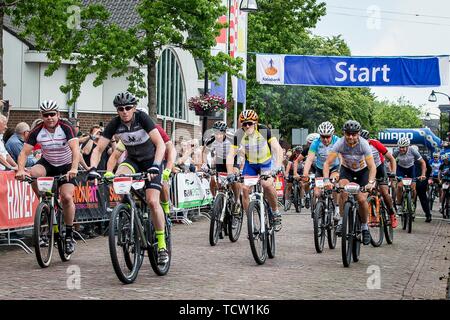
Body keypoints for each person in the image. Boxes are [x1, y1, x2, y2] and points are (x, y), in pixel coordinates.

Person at [88, 92, 168, 265]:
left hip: (150, 161)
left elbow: (160, 144)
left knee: (153, 202)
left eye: (128, 108)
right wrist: (94, 169)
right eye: (120, 109)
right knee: (118, 178)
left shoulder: (143, 118)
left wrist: (156, 164)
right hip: (133, 161)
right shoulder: (115, 124)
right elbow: (98, 149)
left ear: (134, 108)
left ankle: (161, 245)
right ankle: (126, 211)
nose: (124, 111)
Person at [15, 100, 80, 254]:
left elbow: (76, 150)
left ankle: (69, 235)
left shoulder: (66, 127)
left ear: (58, 114)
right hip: (48, 163)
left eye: (52, 114)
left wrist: (74, 168)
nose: (50, 117)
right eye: (46, 115)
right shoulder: (37, 130)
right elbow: (24, 153)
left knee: (66, 197)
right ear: (42, 116)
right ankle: (43, 202)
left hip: (65, 165)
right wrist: (20, 170)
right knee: (33, 173)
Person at [106, 107, 177, 218]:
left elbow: (171, 149)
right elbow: (116, 154)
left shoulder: (156, 129)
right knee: (122, 179)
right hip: (135, 162)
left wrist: (168, 168)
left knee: (163, 183)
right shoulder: (128, 132)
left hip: (155, 160)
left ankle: (166, 209)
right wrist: (109, 172)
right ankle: (127, 205)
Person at [226, 109, 284, 231]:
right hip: (251, 164)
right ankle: (251, 221)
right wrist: (230, 173)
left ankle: (275, 212)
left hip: (266, 163)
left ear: (256, 123)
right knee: (245, 189)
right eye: (244, 124)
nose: (247, 126)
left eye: (250, 123)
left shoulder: (263, 130)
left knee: (266, 184)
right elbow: (230, 155)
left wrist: (277, 166)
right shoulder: (239, 134)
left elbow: (277, 149)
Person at [323, 120, 376, 246]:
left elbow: (372, 166)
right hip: (347, 171)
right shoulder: (339, 143)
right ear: (344, 133)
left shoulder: (364, 145)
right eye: (348, 134)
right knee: (343, 190)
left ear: (358, 134)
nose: (351, 137)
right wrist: (326, 180)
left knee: (362, 200)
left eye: (354, 134)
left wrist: (370, 182)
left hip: (362, 172)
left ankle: (364, 227)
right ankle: (342, 220)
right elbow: (327, 163)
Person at [302, 121, 341, 220]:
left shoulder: (337, 141)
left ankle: (336, 208)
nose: (325, 139)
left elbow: (342, 158)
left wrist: (340, 171)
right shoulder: (315, 143)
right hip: (320, 168)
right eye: (323, 136)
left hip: (334, 167)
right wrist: (305, 174)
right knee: (317, 192)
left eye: (328, 137)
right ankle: (320, 207)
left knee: (335, 183)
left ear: (332, 134)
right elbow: (310, 159)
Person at [360, 129, 398, 228]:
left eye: (366, 142)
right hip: (367, 169)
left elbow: (391, 159)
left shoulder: (375, 144)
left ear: (368, 140)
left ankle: (391, 213)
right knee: (366, 190)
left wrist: (393, 173)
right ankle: (371, 213)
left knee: (384, 192)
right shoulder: (356, 146)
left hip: (379, 167)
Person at [203, 121, 242, 213]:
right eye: (216, 133)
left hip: (233, 157)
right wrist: (205, 164)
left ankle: (237, 201)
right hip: (220, 159)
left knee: (233, 179)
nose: (218, 136)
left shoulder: (232, 138)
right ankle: (219, 200)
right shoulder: (211, 140)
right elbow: (204, 153)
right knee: (219, 185)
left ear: (225, 132)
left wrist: (232, 171)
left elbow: (238, 152)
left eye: (220, 133)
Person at [393, 137, 426, 215]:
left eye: (403, 147)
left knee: (413, 188)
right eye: (400, 147)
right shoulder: (396, 151)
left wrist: (423, 174)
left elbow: (423, 163)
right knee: (400, 186)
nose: (401, 149)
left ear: (407, 146)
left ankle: (412, 204)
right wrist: (392, 172)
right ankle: (399, 206)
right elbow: (390, 160)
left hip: (411, 169)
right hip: (400, 169)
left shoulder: (413, 151)